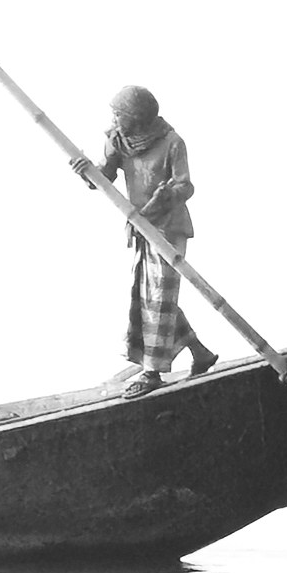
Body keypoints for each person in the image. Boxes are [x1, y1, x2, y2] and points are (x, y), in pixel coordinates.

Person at [76, 86, 219, 389]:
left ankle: (152, 372)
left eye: (119, 114)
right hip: (141, 226)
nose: (114, 120)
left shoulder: (172, 142)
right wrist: (86, 172)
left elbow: (186, 186)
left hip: (169, 228)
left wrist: (167, 195)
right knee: (152, 296)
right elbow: (105, 177)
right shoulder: (118, 141)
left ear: (137, 118)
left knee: (159, 296)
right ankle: (200, 352)